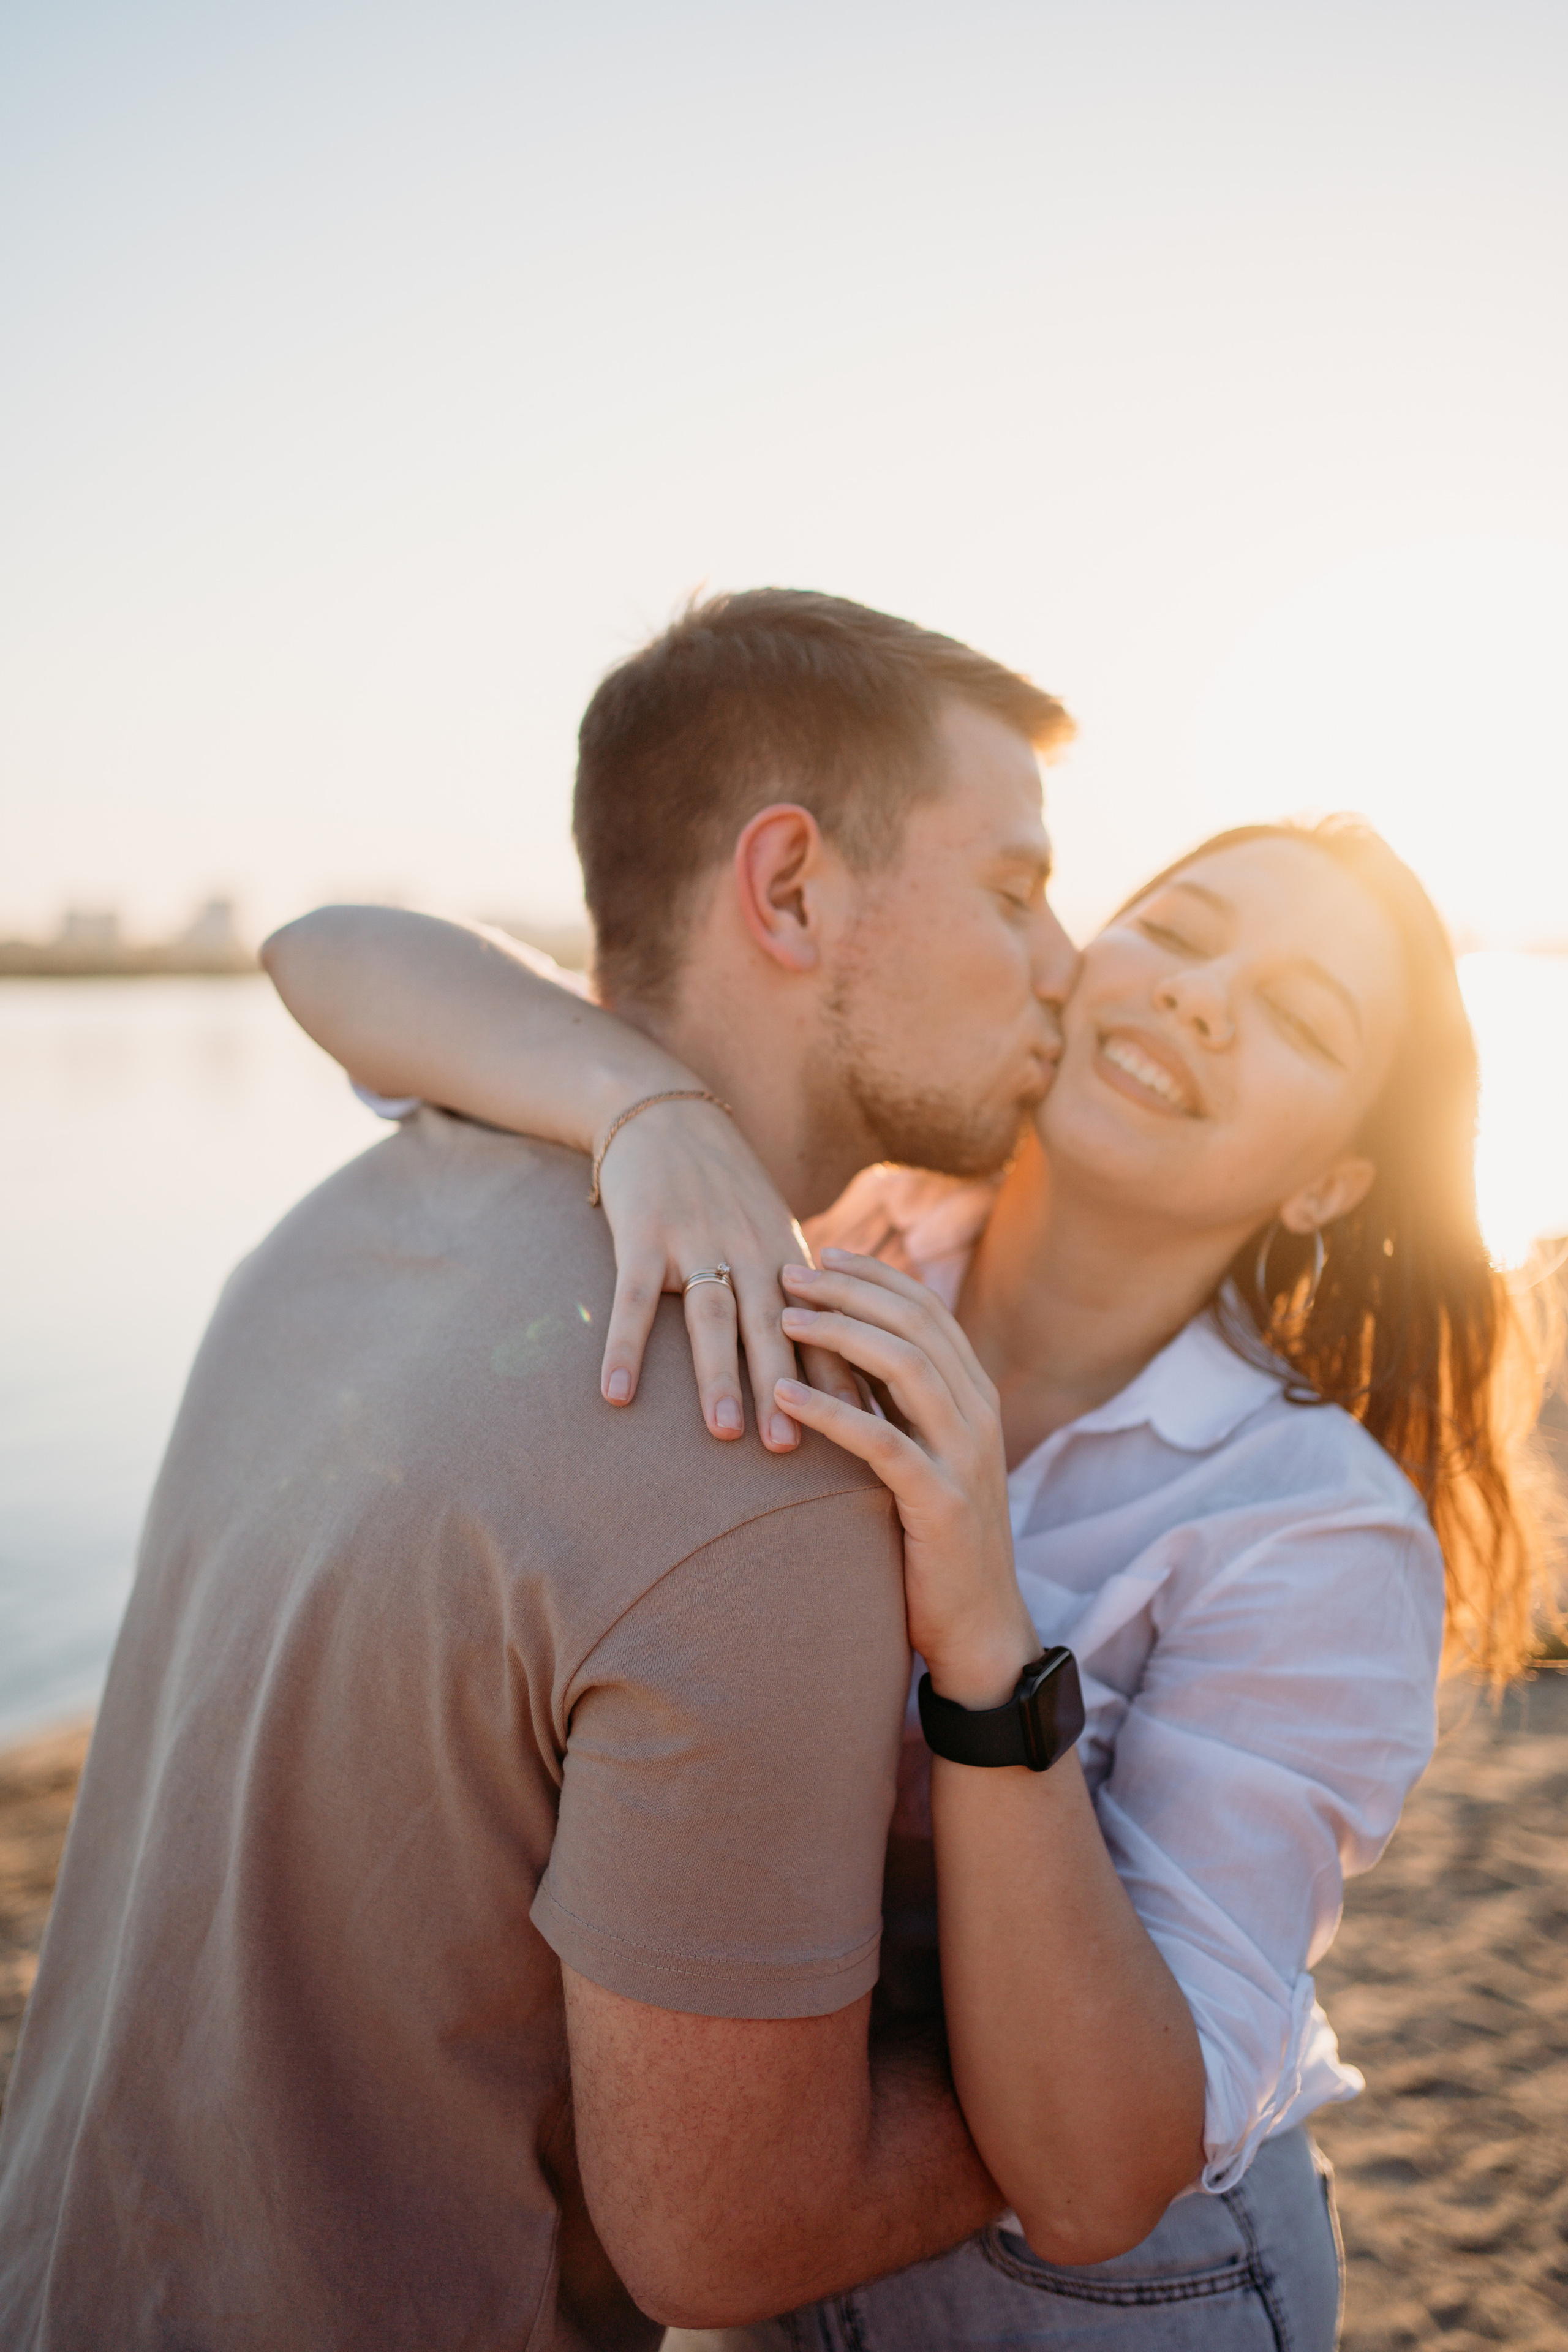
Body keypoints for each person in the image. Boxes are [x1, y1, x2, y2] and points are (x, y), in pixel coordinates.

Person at [0, 590, 1128, 2351]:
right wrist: (1102, 2092)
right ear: (792, 889)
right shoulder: (770, 1448)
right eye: (1014, 888)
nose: (1066, 959)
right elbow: (730, 2240)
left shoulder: (357, 1216)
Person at [266, 807, 1553, 2349]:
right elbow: (332, 956)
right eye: (1185, 933)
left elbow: (1097, 2175)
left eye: (1292, 1015)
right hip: (776, 2186)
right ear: (1081, 961)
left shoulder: (1311, 1525)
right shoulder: (839, 1220)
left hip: (1104, 2289)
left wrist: (985, 1645)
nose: (1204, 999)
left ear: (1329, 1188)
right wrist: (646, 1107)